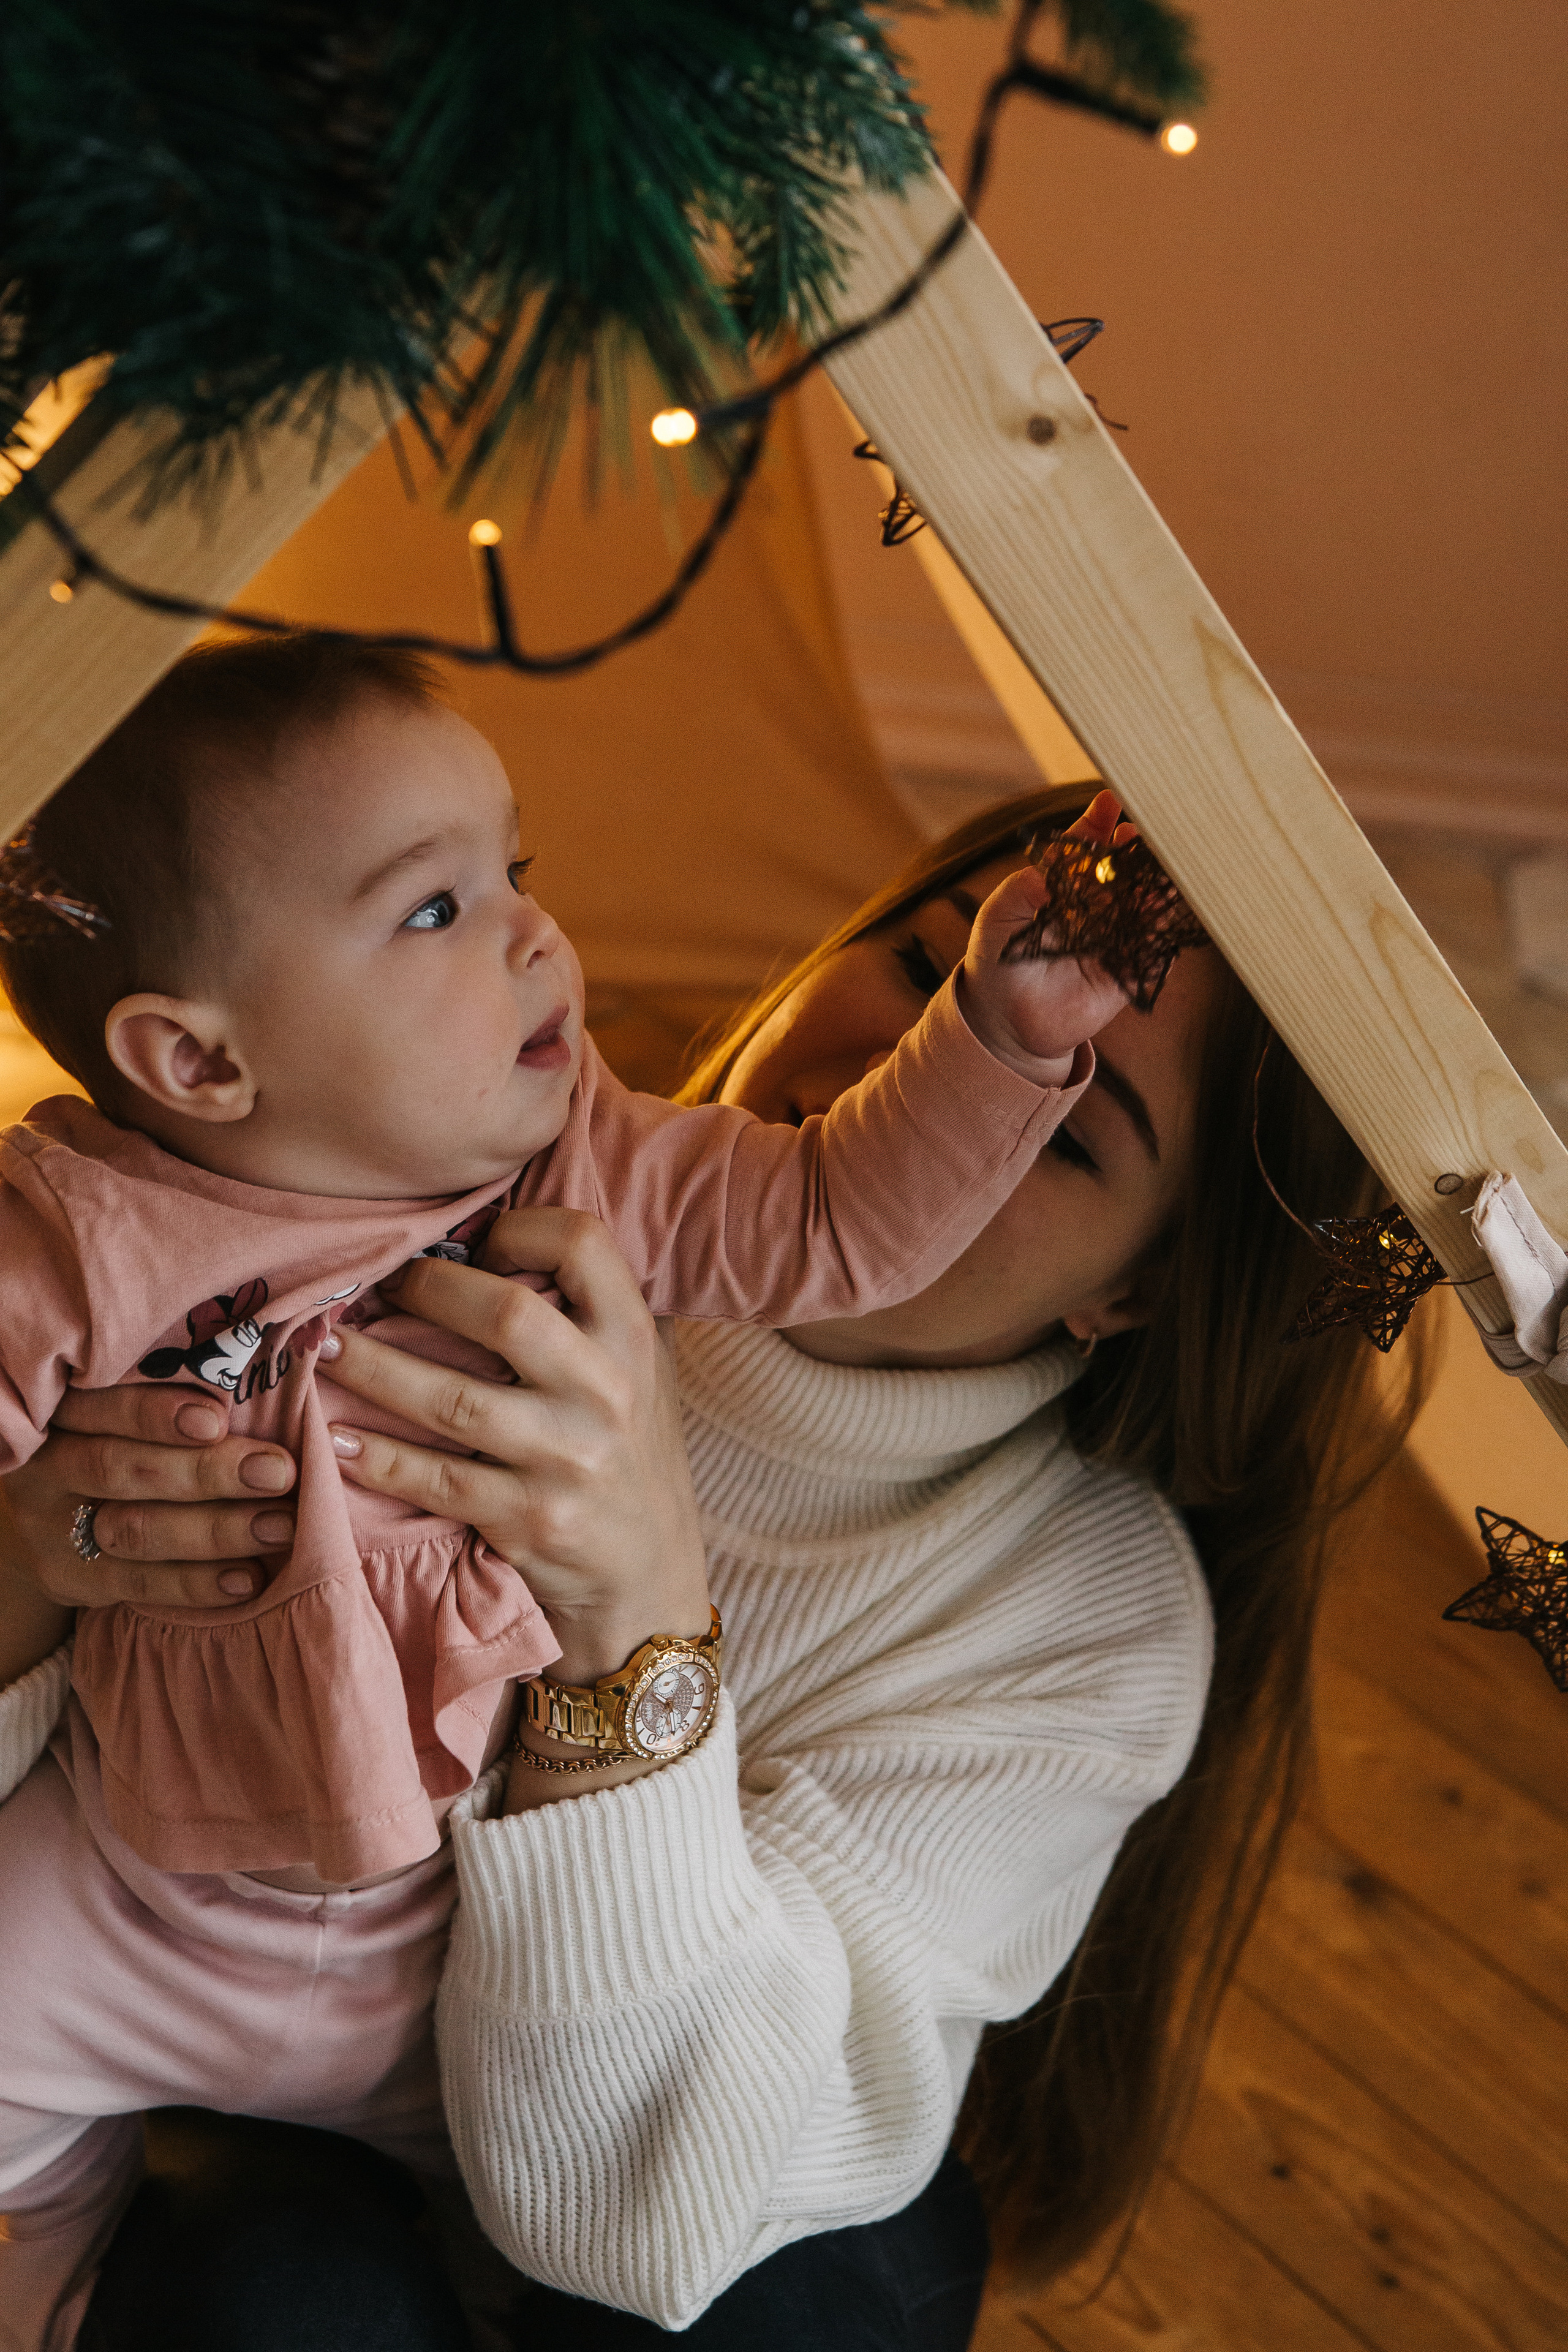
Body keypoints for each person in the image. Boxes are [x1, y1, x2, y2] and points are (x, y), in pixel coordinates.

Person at [0, 785, 1423, 2349]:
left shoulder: (1086, 1624)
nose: (919, 1072)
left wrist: (641, 1625)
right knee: (288, 2295)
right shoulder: (429, 1163)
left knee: (796, 2290)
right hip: (182, 2045)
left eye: (1063, 1122)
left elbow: (636, 2219)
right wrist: (25, 1572)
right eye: (921, 972)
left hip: (635, 2196)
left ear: (1136, 1290)